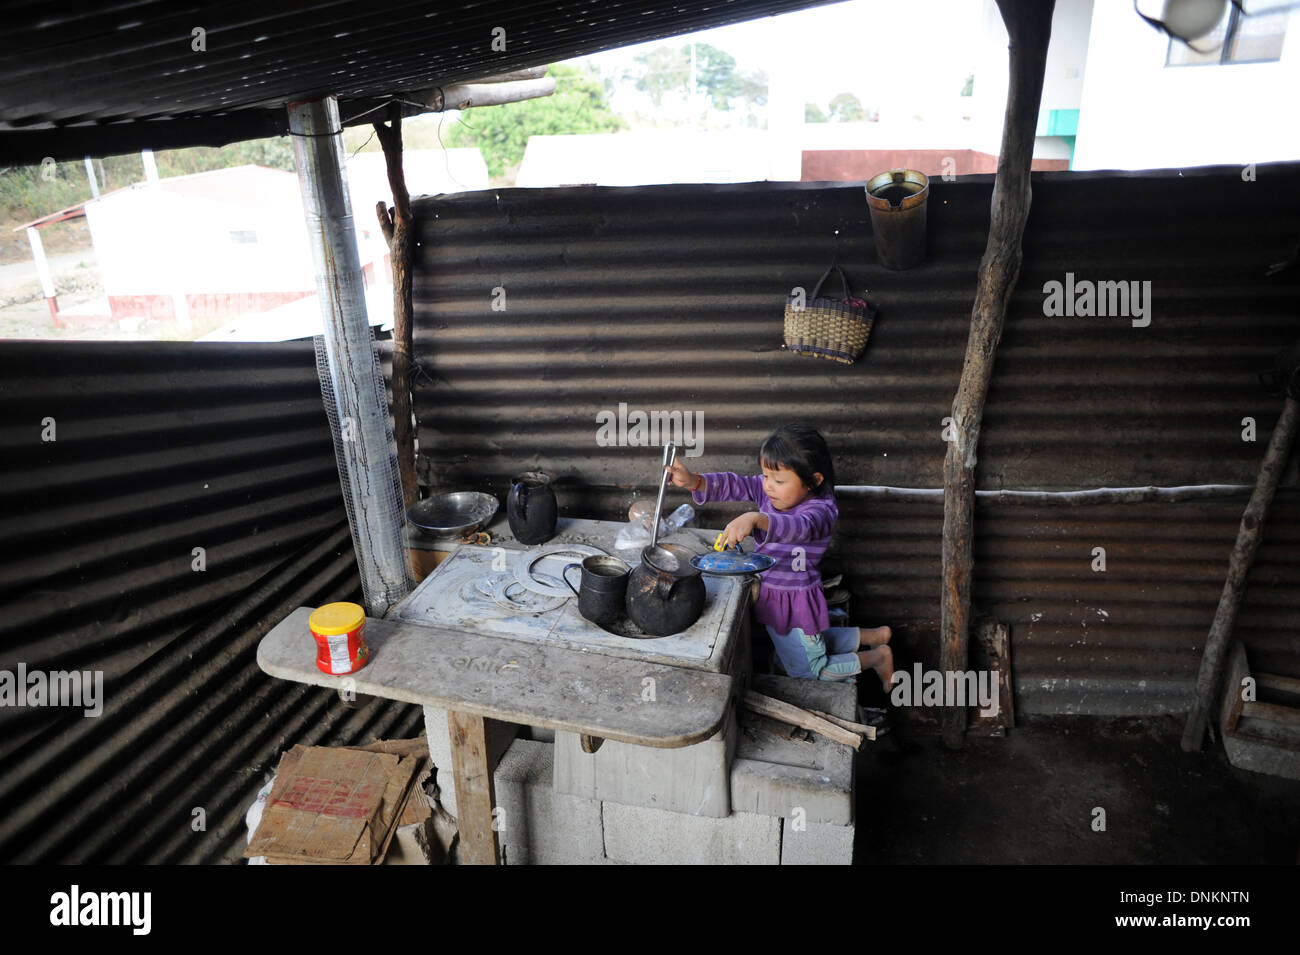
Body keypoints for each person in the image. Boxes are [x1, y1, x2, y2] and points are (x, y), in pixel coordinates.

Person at [665, 423, 893, 686]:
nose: (769, 487)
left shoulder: (821, 510)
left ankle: (877, 657)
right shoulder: (771, 492)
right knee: (804, 642)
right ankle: (873, 636)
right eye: (765, 477)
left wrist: (758, 519)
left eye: (779, 480)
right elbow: (735, 484)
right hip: (773, 595)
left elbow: (798, 528)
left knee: (809, 670)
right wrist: (696, 481)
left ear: (814, 481)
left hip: (796, 601)